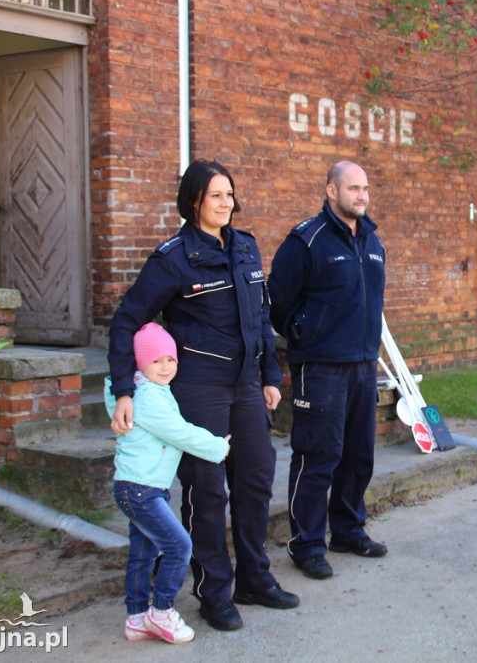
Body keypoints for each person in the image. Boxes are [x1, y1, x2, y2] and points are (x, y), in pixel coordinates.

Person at [108, 160, 298, 633]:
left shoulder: (247, 247)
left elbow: (260, 316)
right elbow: (126, 320)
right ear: (194, 201)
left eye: (230, 193)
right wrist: (124, 389)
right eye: (216, 195)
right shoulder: (172, 258)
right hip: (199, 390)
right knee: (208, 492)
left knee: (255, 480)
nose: (226, 202)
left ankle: (254, 579)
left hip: (246, 388)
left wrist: (270, 374)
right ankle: (214, 592)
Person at [268, 161, 387, 582]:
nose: (362, 195)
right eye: (353, 188)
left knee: (358, 455)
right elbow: (278, 301)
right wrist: (303, 333)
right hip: (320, 367)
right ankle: (307, 543)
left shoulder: (373, 242)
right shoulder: (307, 241)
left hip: (362, 365)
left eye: (365, 188)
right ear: (331, 192)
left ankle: (349, 530)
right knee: (317, 455)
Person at [105, 322, 231, 644]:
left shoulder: (150, 391)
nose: (165, 367)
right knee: (179, 546)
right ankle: (161, 612)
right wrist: (218, 445)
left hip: (142, 487)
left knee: (143, 550)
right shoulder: (148, 398)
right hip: (139, 490)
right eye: (156, 361)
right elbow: (180, 432)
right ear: (140, 363)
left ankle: (136, 618)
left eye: (170, 360)